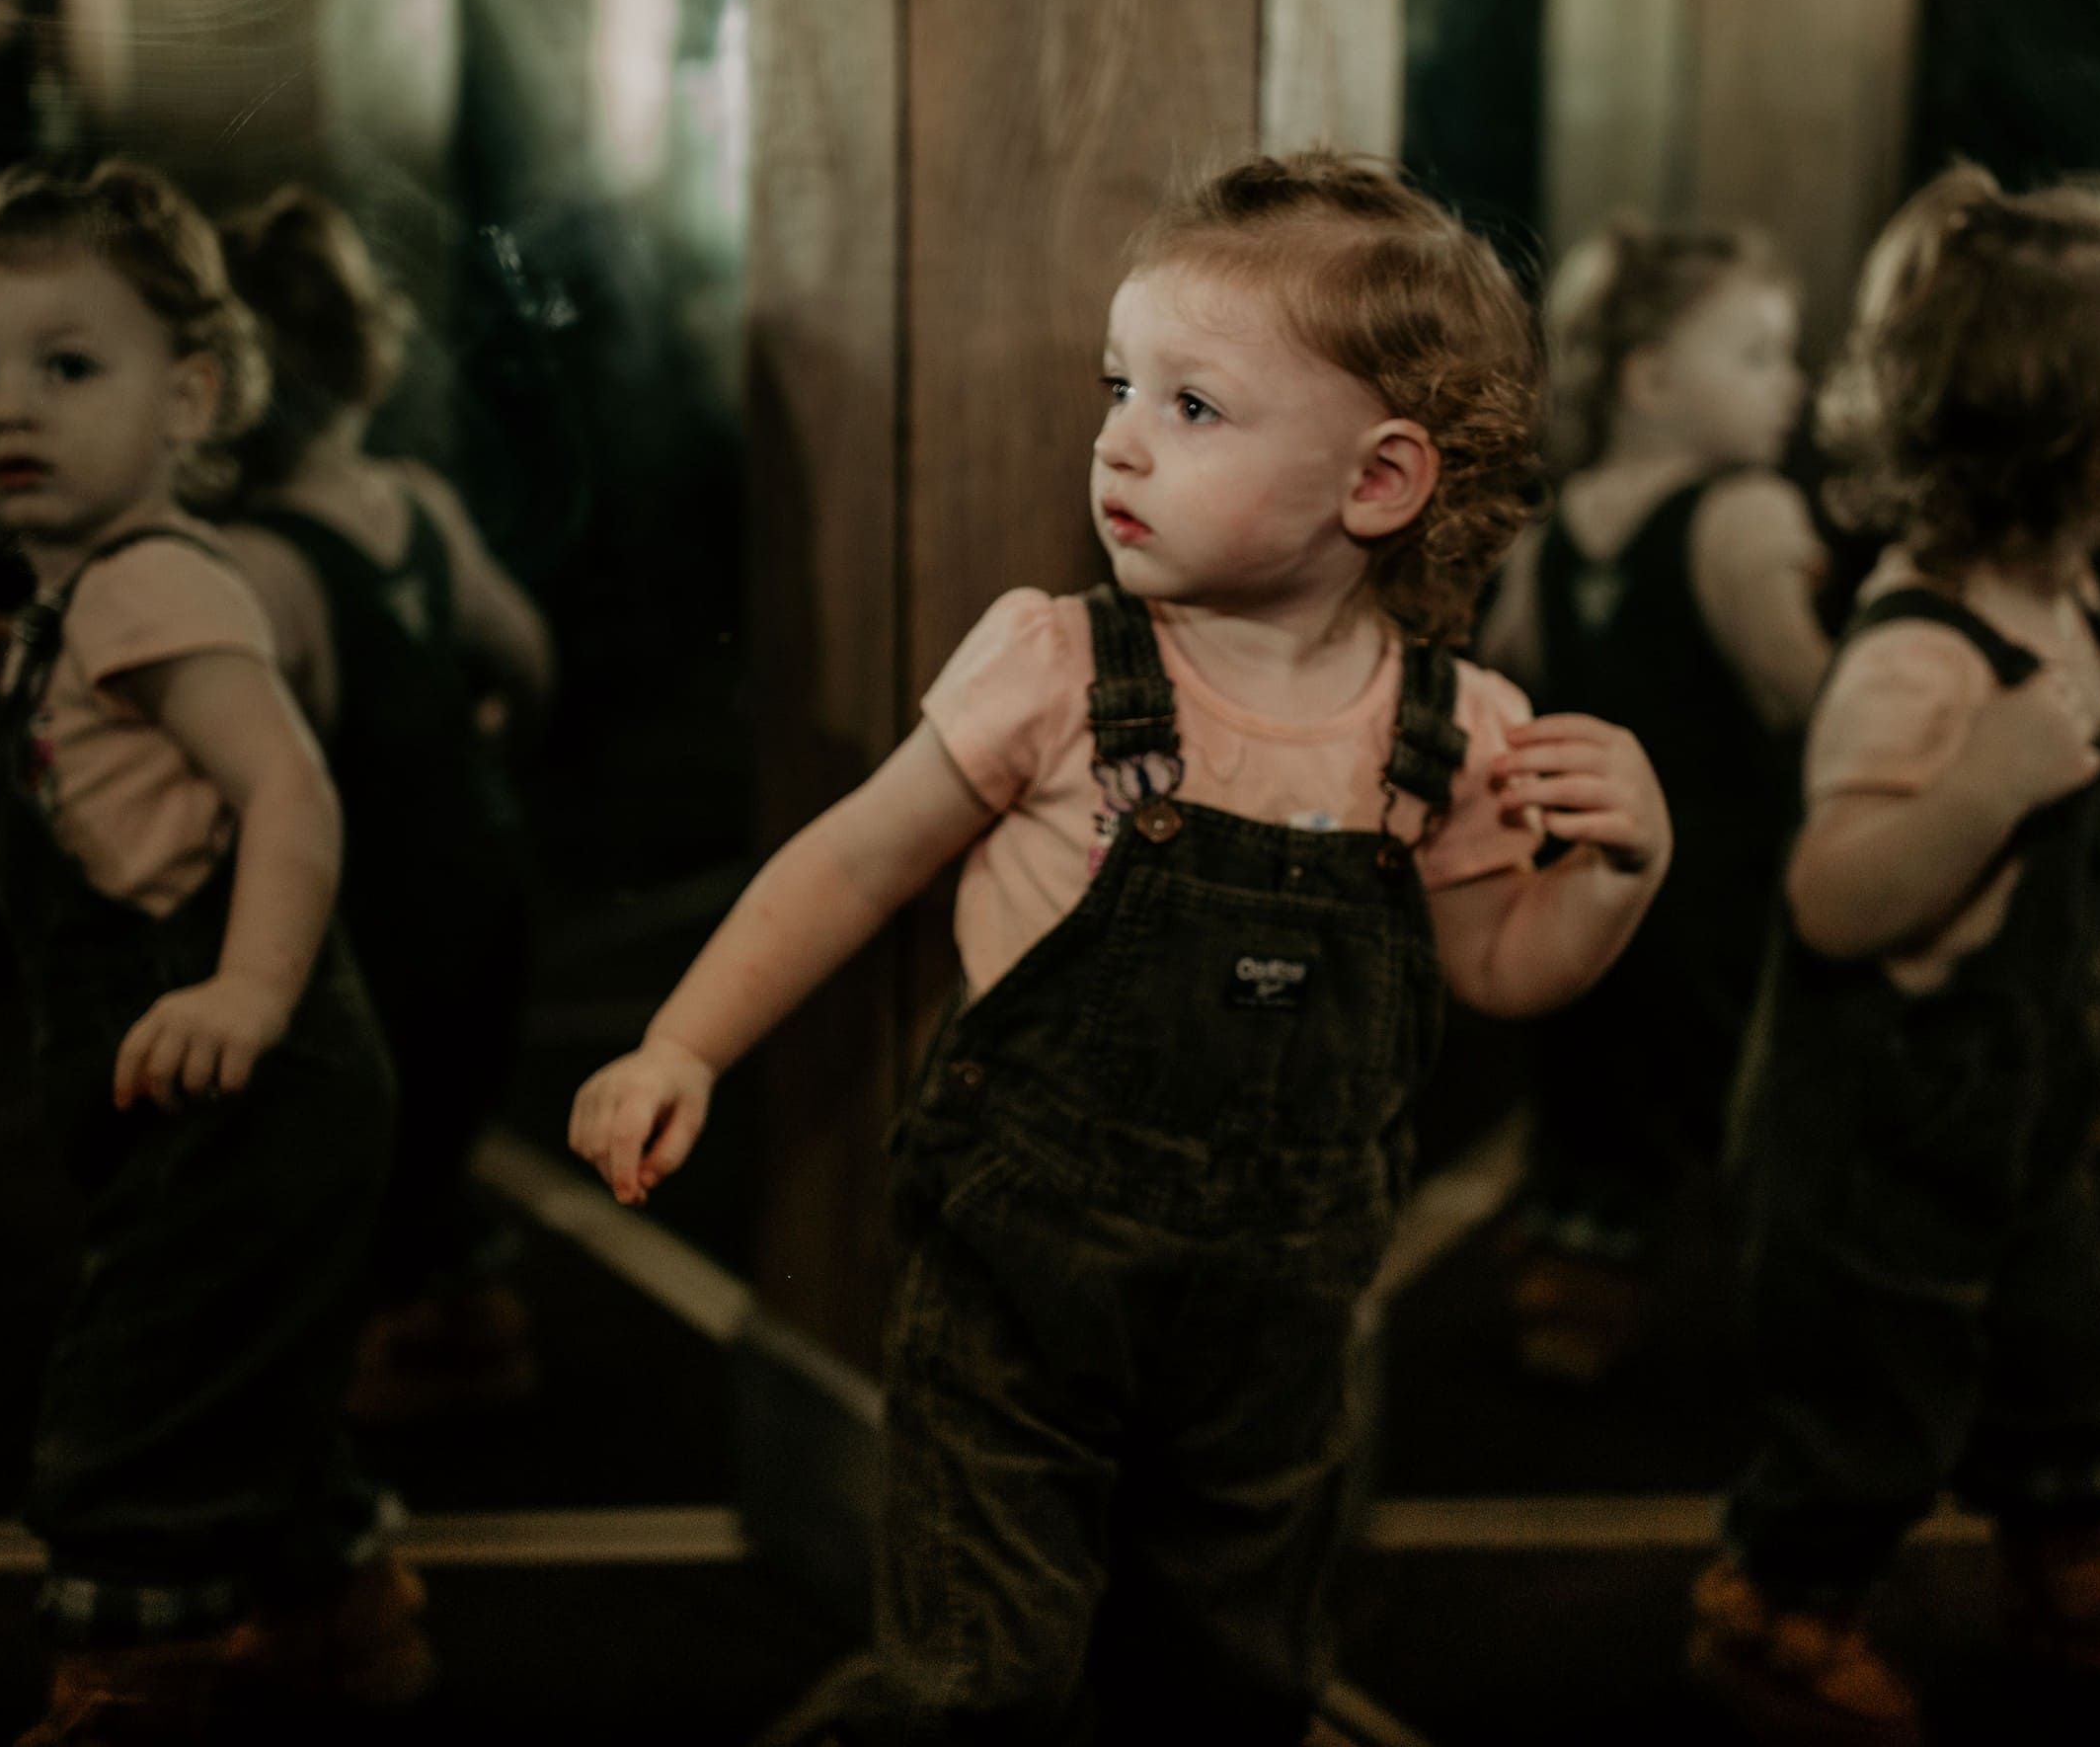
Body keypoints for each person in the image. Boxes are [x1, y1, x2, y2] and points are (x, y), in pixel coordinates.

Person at [571, 152, 1672, 1741]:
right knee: (985, 1669)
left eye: (1192, 406)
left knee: (1233, 1658)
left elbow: (1504, 968)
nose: (1117, 440)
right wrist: (682, 1041)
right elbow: (852, 861)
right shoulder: (1057, 667)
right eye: (1119, 386)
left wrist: (1621, 872)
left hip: (1281, 1313)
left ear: (1380, 484)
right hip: (1018, 1275)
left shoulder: (1452, 729)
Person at [1690, 164, 2100, 1745]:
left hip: (2015, 1118)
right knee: (1873, 1408)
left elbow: (2033, 827)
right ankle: (1780, 1612)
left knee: (2071, 1352)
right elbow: (1837, 895)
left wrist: (2095, 870)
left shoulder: (2064, 595)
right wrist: (1986, 790)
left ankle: (2071, 1572)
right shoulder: (1923, 652)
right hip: (1882, 1145)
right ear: (2096, 441)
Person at [0, 161, 428, 1744]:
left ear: (188, 397)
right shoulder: (82, 596)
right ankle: (342, 1622)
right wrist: (3, 682)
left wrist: (249, 987)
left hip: (247, 1062)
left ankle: (131, 1688)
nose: (7, 413)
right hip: (195, 1070)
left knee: (136, 1397)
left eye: (68, 368)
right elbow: (127, 783)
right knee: (234, 1368)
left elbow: (285, 786)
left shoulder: (154, 583)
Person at [213, 185, 555, 1421]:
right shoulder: (419, 503)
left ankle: (378, 1349)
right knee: (448, 1103)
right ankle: (468, 1322)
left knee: (346, 1128)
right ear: (366, 354)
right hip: (479, 870)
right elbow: (524, 658)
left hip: (365, 907)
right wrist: (485, 739)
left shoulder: (252, 564)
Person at [1478, 219, 1829, 1384]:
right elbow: (1813, 701)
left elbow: (1511, 689)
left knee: (1591, 1103)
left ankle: (1570, 1305)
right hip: (1724, 898)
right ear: (1652, 377)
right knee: (1747, 1102)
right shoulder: (1747, 514)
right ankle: (1793, 1327)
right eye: (1760, 355)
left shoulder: (1553, 533)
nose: (1794, 384)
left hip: (1590, 900)